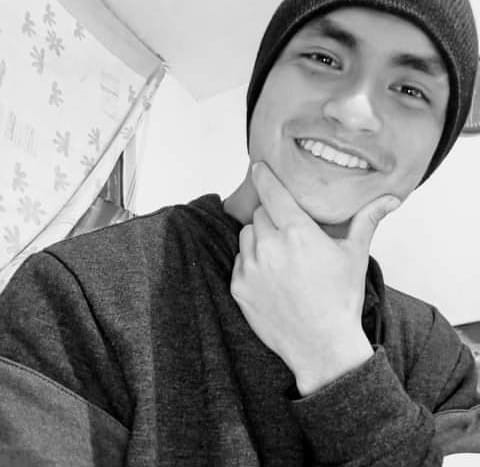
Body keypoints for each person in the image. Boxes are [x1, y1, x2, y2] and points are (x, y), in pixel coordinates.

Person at [0, 0, 479, 465]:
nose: (353, 113)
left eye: (410, 90)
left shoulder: (434, 356)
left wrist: (335, 362)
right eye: (323, 58)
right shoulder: (77, 296)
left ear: (437, 146)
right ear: (263, 80)